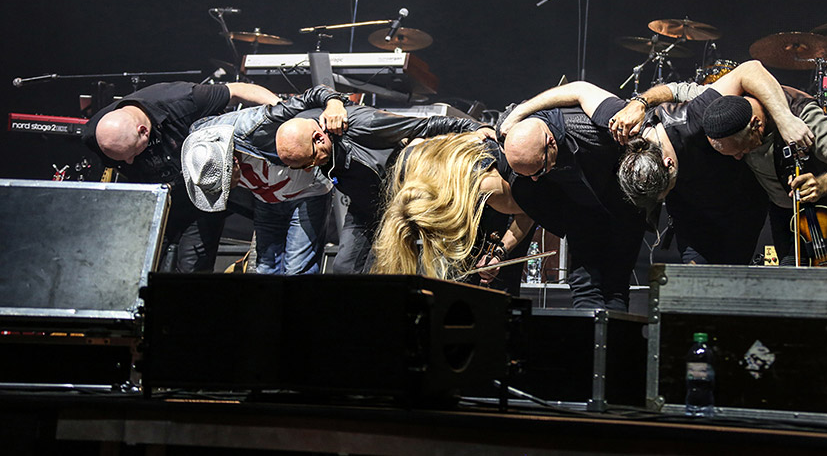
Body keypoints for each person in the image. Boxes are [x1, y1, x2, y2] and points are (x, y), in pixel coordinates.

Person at [502, 60, 815, 266]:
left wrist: (785, 118)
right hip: (697, 225)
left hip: (742, 213)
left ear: (668, 163)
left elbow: (751, 69)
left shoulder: (692, 121)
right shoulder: (629, 137)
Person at [270, 99, 491, 274]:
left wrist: (474, 127)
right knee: (344, 269)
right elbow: (317, 91)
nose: (310, 168)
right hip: (364, 208)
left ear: (319, 137)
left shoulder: (365, 125)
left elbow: (422, 126)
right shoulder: (302, 132)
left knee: (387, 267)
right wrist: (333, 101)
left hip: (396, 203)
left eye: (310, 161)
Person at [82, 81, 281, 272]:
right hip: (152, 201)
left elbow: (239, 90)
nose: (129, 162)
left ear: (143, 131)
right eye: (122, 158)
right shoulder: (97, 136)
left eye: (133, 153)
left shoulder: (184, 100)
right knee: (138, 266)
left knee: (192, 271)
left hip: (198, 196)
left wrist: (286, 113)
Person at [498, 95, 649, 311]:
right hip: (581, 209)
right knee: (584, 284)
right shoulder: (508, 128)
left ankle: (611, 341)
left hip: (624, 205)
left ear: (551, 142)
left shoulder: (594, 128)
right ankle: (589, 341)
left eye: (540, 170)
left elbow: (580, 89)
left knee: (615, 285)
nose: (535, 178)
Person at [180, 83, 350, 275]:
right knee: (265, 270)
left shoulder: (256, 124)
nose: (230, 189)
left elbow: (316, 93)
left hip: (308, 194)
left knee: (298, 270)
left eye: (228, 183)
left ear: (233, 162)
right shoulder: (204, 152)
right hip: (266, 201)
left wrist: (334, 104)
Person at [700, 90, 827, 265]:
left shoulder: (801, 115)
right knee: (790, 273)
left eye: (742, 149)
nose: (738, 158)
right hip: (785, 208)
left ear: (755, 124)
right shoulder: (726, 110)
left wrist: (823, 184)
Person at [371, 133, 535, 291]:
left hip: (505, 215)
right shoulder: (409, 159)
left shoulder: (487, 185)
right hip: (462, 199)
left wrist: (500, 253)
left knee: (497, 288)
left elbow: (528, 214)